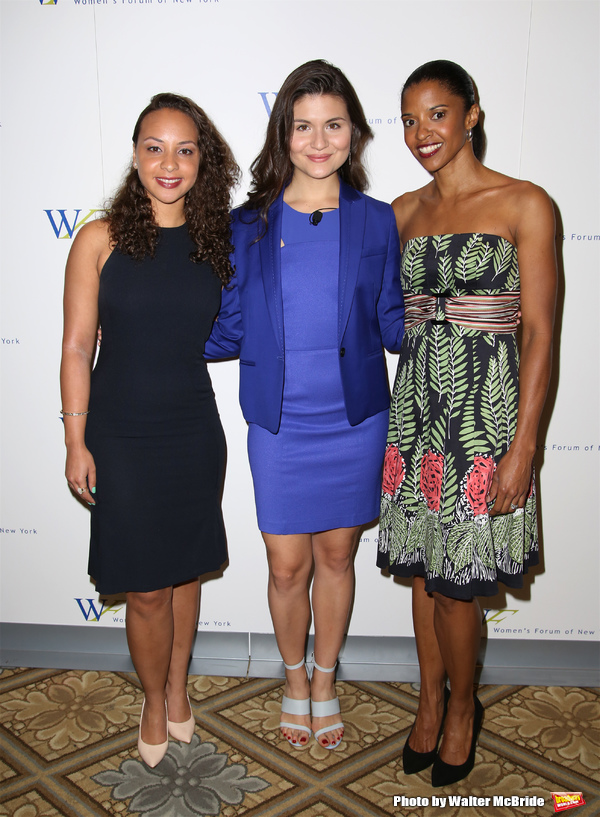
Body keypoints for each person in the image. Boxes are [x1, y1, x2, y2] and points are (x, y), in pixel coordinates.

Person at [205, 60, 405, 750]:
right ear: (283, 134)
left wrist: (469, 318)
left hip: (355, 421)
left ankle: (325, 680)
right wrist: (152, 327)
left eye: (334, 125)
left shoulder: (380, 222)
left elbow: (394, 322)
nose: (319, 141)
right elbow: (227, 328)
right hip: (281, 424)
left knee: (338, 559)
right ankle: (293, 678)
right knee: (286, 565)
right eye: (303, 126)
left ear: (354, 131)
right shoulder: (245, 225)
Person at [378, 60, 557, 785]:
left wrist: (526, 449)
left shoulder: (525, 203)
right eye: (411, 119)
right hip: (416, 414)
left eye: (438, 114)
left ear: (472, 114)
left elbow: (540, 332)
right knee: (422, 575)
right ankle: (427, 702)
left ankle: (461, 710)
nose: (423, 132)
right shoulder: (399, 212)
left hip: (485, 422)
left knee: (457, 584)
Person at [60, 93, 238, 767]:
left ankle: (179, 688)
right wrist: (75, 439)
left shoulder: (217, 237)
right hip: (121, 431)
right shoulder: (98, 239)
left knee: (186, 571)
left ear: (202, 158)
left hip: (193, 426)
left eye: (185, 149)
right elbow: (78, 347)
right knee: (146, 584)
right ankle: (152, 698)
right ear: (136, 154)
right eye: (155, 147)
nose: (170, 162)